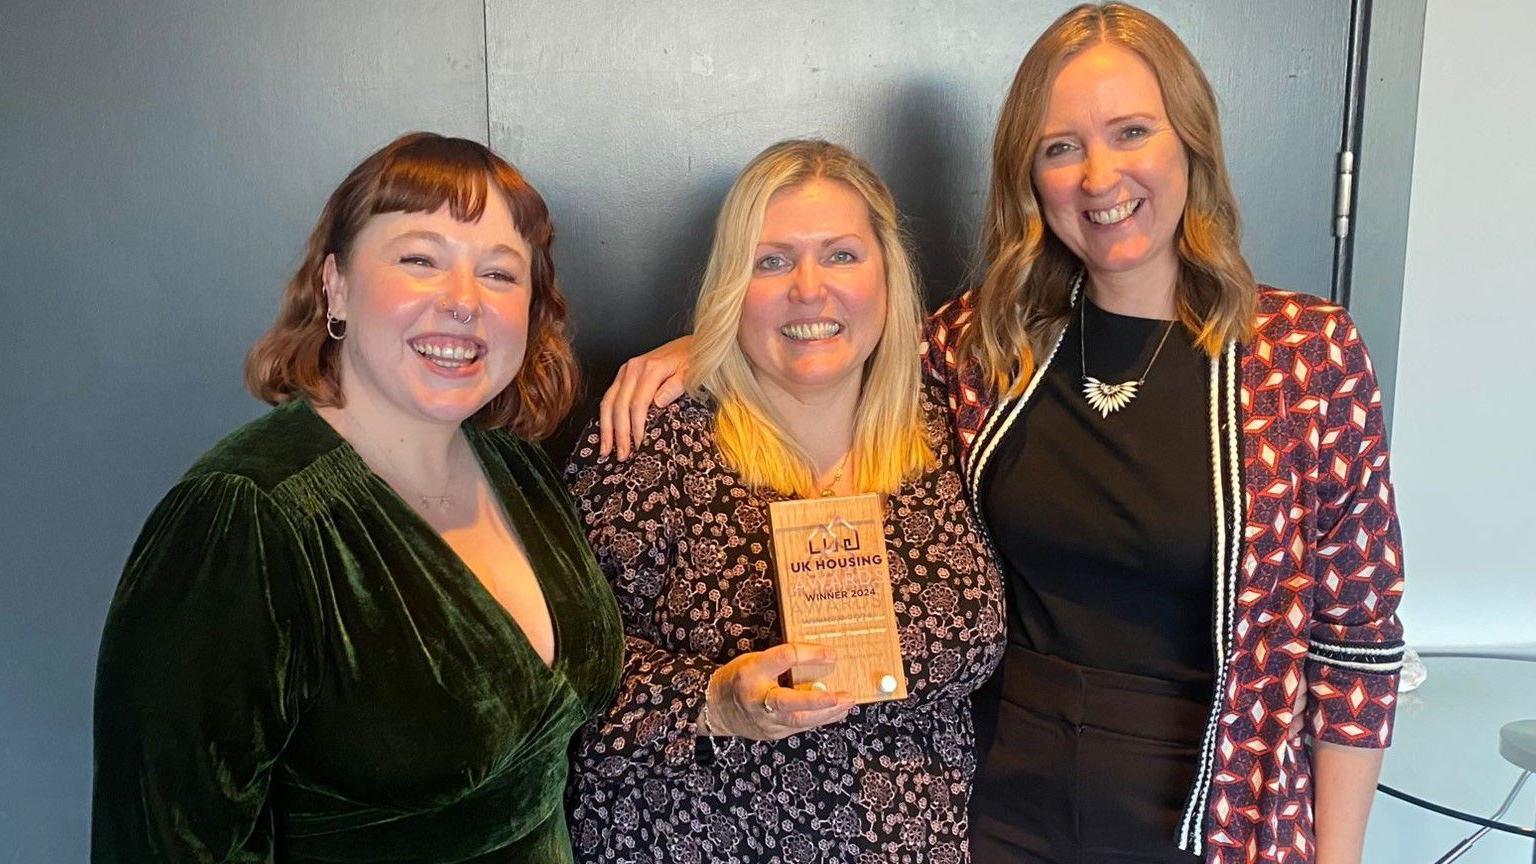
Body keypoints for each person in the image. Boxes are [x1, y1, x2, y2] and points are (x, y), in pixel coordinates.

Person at [594, 5, 1406, 863]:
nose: (1100, 177)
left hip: (1214, 809)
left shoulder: (1305, 358)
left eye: (1131, 132)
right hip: (1000, 810)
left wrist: (1337, 855)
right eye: (1061, 148)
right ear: (1031, 176)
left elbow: (1357, 642)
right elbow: (841, 334)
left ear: (1190, 144)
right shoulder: (988, 346)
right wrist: (709, 339)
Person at [92, 132, 622, 863]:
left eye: (500, 274)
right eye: (419, 259)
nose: (464, 302)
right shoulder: (247, 517)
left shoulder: (514, 464)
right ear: (336, 285)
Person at [564, 139, 1006, 864]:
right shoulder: (648, 442)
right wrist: (712, 701)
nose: (809, 288)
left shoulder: (956, 426)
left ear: (887, 277)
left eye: (841, 255)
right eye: (771, 261)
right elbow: (557, 676)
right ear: (732, 284)